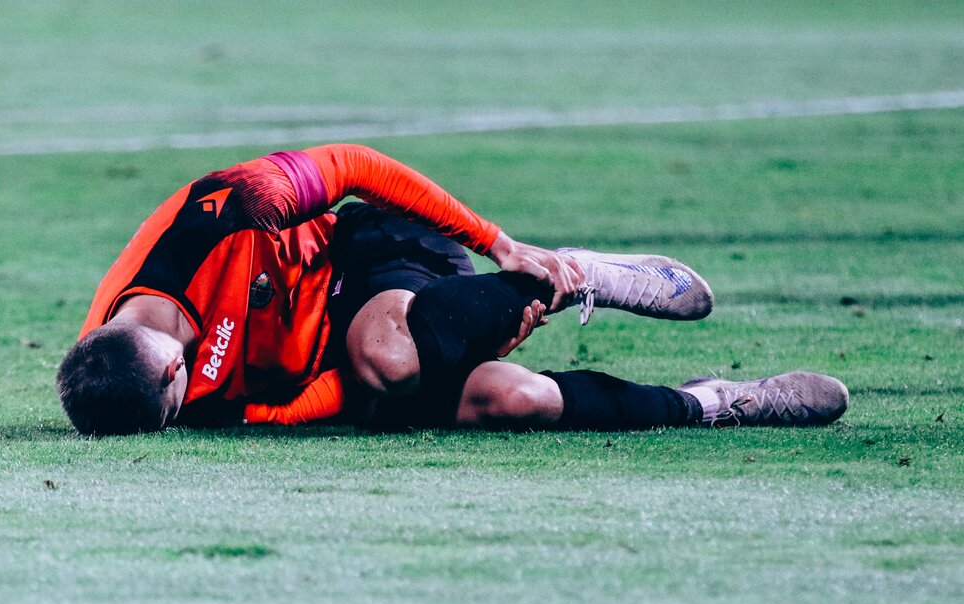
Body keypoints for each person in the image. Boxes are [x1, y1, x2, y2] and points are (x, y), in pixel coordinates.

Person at [57, 144, 848, 435]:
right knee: (515, 400)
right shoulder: (128, 381)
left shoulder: (221, 212)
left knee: (387, 353)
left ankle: (568, 276)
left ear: (168, 366)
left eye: (177, 402)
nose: (186, 411)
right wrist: (465, 341)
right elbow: (292, 410)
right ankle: (719, 403)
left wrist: (494, 243)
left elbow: (355, 166)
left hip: (371, 253)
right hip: (355, 366)